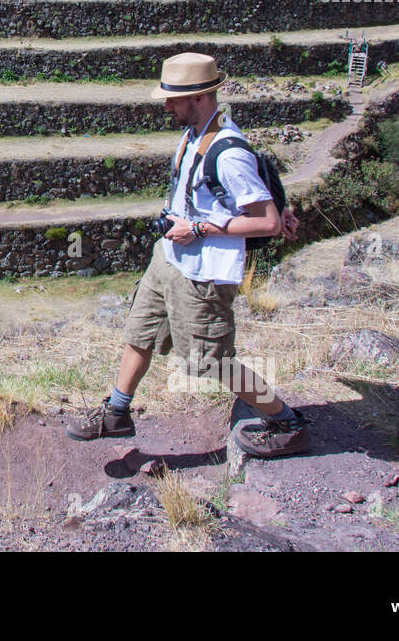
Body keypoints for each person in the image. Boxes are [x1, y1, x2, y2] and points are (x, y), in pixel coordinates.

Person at [66, 52, 310, 458]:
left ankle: (287, 423)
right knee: (139, 334)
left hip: (203, 272)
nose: (166, 106)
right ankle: (117, 412)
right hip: (171, 258)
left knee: (211, 361)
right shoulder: (198, 133)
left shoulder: (228, 152)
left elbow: (266, 222)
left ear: (198, 98)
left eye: (172, 99)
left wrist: (199, 227)